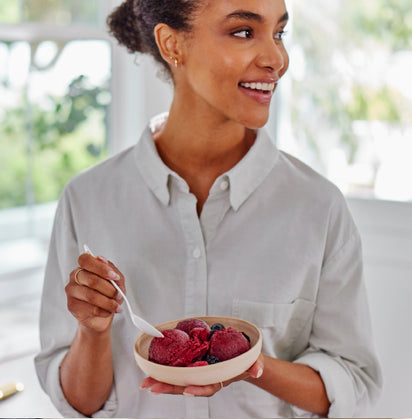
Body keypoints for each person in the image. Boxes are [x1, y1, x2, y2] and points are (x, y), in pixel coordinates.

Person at [35, 0, 382, 417]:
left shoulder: (318, 207)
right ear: (171, 43)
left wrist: (248, 366)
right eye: (243, 32)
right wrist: (92, 334)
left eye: (279, 33)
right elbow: (77, 404)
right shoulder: (87, 200)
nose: (277, 58)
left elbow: (353, 383)